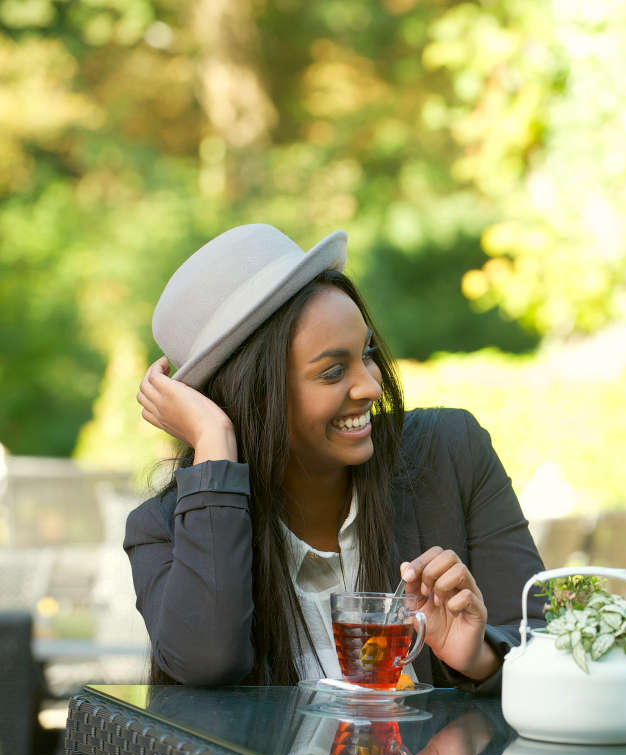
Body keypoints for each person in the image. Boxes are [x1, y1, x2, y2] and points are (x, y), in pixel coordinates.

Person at [126, 223, 545, 693]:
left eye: (366, 354)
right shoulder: (163, 530)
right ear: (252, 396)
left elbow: (552, 647)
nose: (371, 386)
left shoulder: (450, 454)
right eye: (331, 372)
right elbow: (207, 663)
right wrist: (215, 437)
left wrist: (479, 656)